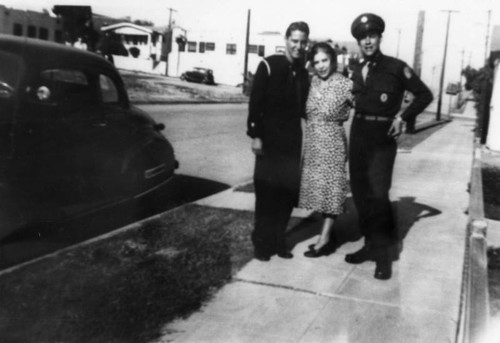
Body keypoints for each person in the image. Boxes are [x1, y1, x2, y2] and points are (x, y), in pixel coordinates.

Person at [346, 13, 433, 280]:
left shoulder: (396, 67)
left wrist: (401, 118)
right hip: (359, 133)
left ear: (380, 37)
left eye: (371, 35)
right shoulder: (355, 68)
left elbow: (424, 94)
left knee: (379, 196)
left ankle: (383, 258)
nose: (367, 41)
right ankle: (370, 246)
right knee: (360, 194)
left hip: (382, 137)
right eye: (362, 38)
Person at [246, 21, 310, 261]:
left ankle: (278, 239)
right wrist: (256, 136)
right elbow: (256, 103)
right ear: (286, 41)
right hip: (269, 142)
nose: (298, 46)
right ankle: (262, 242)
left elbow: (305, 108)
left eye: (303, 42)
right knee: (266, 194)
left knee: (286, 195)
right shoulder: (268, 65)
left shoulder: (303, 73)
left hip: (292, 143)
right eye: (294, 41)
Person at [298, 42, 354, 258]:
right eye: (316, 61)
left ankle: (325, 239)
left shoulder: (345, 84)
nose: (321, 66)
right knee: (319, 193)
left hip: (332, 143)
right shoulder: (311, 82)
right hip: (313, 143)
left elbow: (367, 105)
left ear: (333, 60)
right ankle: (329, 233)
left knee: (330, 191)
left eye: (325, 60)